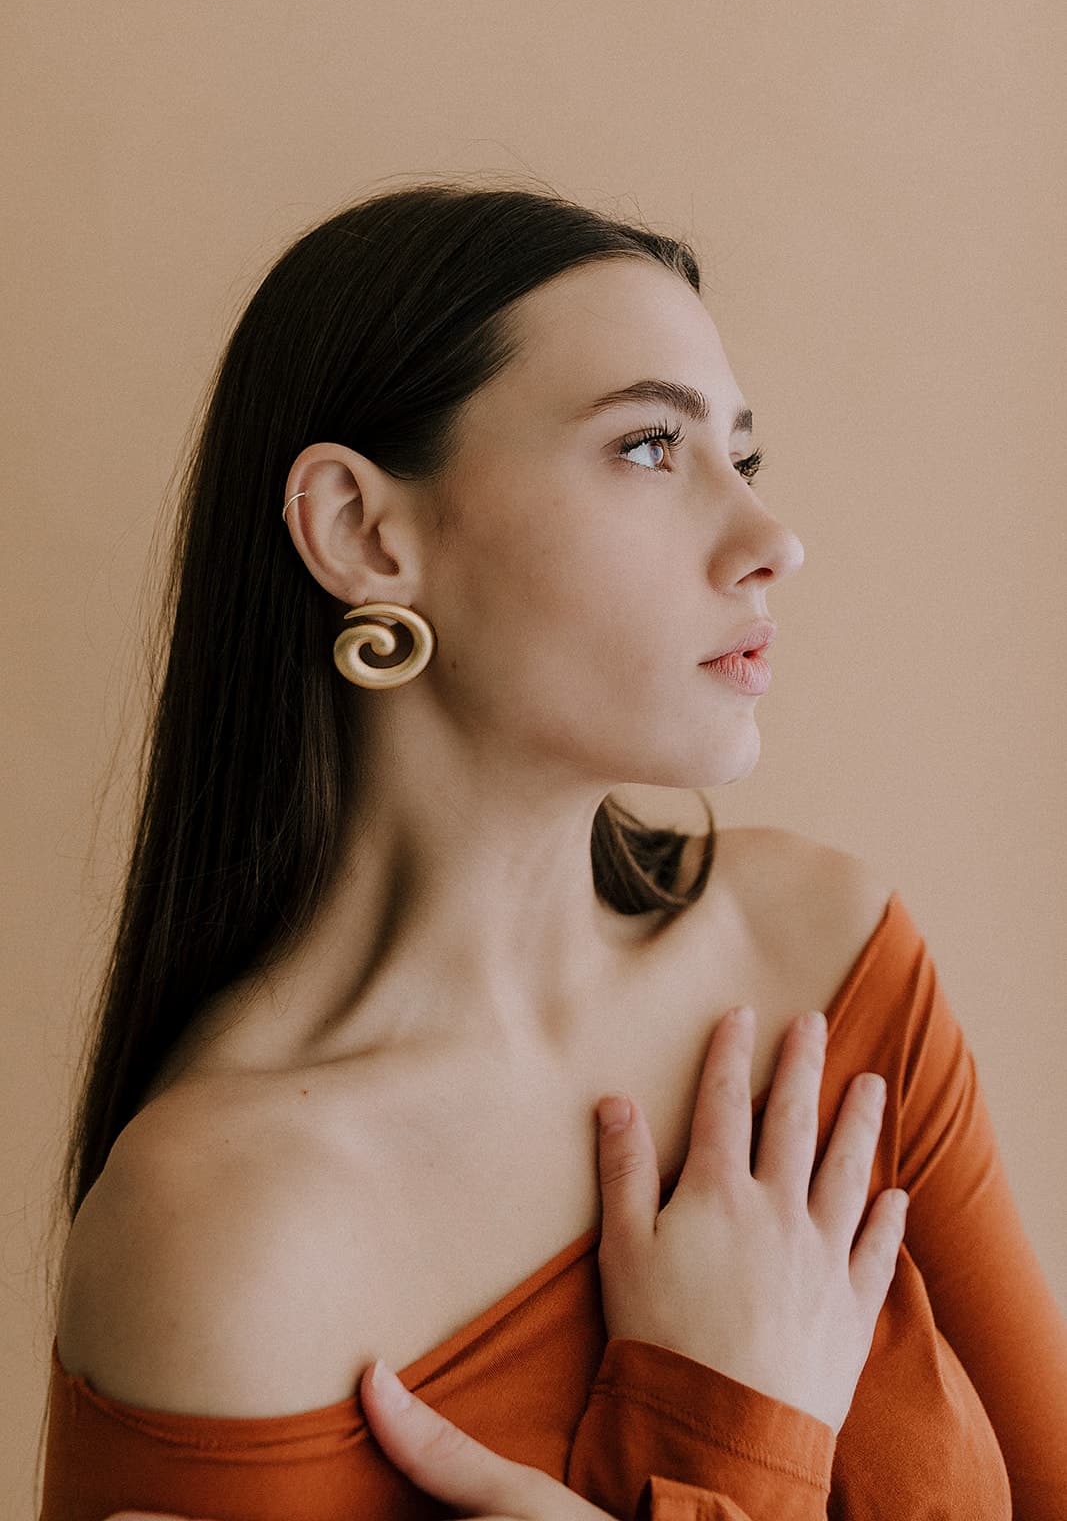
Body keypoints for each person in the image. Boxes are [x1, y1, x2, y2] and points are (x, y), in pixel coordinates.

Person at [37, 182, 1067, 1520]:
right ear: (363, 532)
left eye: (740, 459)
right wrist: (733, 1438)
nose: (772, 539)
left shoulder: (823, 959)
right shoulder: (232, 1233)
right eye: (649, 447)